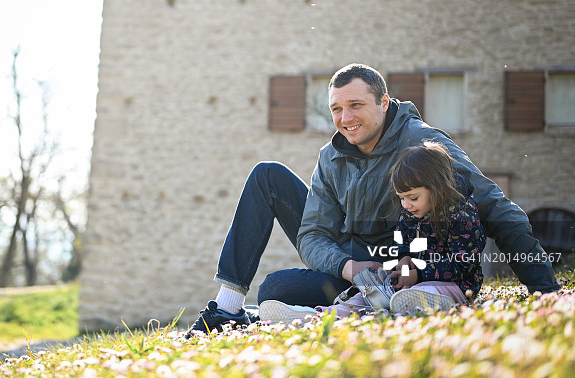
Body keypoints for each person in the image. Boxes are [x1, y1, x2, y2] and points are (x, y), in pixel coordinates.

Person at [188, 63, 558, 335]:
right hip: (355, 270)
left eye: (356, 105)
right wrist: (349, 267)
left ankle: (383, 305)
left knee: (279, 290)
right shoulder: (330, 157)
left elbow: (495, 207)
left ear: (383, 101)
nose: (345, 118)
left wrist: (544, 290)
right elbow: (312, 234)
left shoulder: (423, 146)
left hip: (405, 268)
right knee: (269, 195)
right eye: (336, 109)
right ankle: (228, 309)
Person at [259, 141, 486, 322]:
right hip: (410, 281)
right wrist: (405, 260)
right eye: (402, 199)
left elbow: (462, 264)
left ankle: (414, 306)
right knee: (366, 296)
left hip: (455, 285)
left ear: (436, 190)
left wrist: (420, 273)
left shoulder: (461, 217)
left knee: (425, 292)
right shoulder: (411, 211)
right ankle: (321, 316)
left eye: (413, 198)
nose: (406, 205)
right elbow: (404, 243)